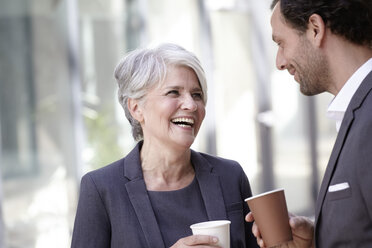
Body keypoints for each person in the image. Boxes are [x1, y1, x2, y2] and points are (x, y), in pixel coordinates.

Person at [71, 43, 258, 248]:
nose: (191, 105)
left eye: (197, 94)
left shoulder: (230, 176)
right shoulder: (101, 188)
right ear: (136, 108)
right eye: (173, 93)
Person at [247, 0, 372, 247]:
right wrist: (317, 238)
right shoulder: (357, 109)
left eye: (281, 43)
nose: (279, 62)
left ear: (315, 28)